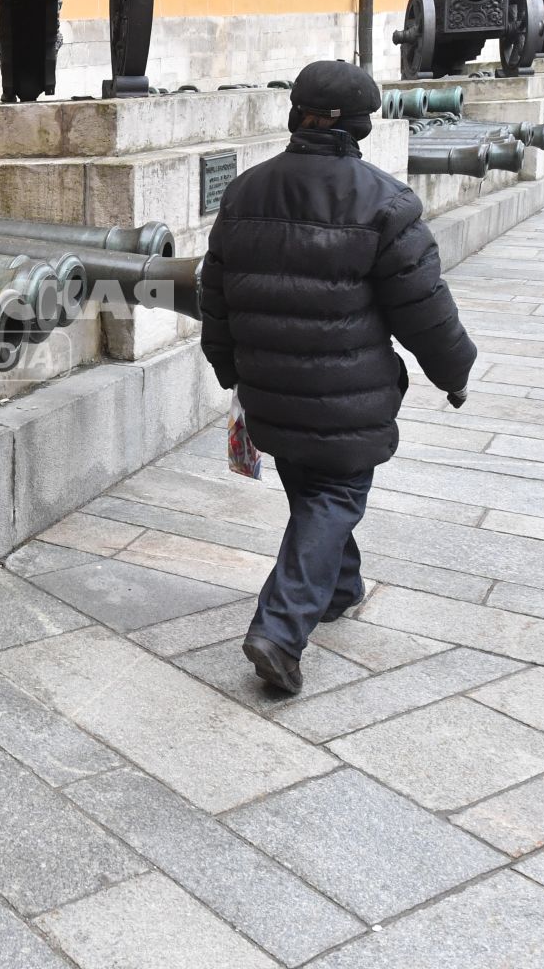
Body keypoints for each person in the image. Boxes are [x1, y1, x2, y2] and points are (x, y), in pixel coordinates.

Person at [199, 60, 476, 694]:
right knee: (333, 497)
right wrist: (454, 372)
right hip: (347, 400)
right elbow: (425, 308)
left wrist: (228, 370)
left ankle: (339, 588)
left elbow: (213, 294)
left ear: (295, 117)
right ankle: (280, 630)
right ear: (360, 128)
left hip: (269, 389)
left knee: (315, 493)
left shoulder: (244, 193)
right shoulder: (385, 202)